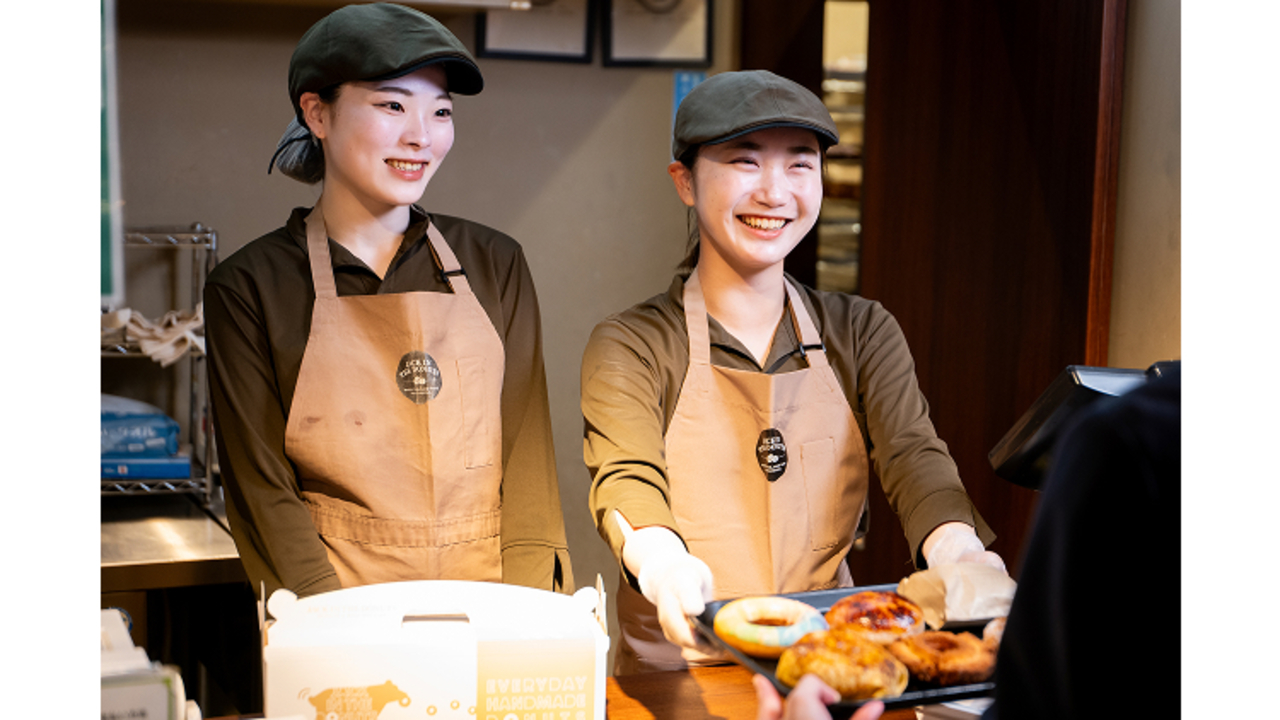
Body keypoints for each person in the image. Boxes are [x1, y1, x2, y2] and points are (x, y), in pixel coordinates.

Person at [581, 69, 1004, 674]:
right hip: (683, 670)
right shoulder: (632, 344)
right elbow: (626, 476)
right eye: (745, 162)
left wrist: (957, 549)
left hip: (829, 661)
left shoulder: (862, 330)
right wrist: (664, 566)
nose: (775, 193)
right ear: (685, 181)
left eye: (800, 164)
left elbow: (915, 458)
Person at [205, 2, 572, 602]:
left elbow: (528, 464)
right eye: (392, 106)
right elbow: (262, 491)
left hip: (491, 604)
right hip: (334, 610)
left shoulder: (495, 263)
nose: (421, 136)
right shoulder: (249, 288)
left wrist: (530, 617)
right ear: (316, 113)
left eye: (441, 112)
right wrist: (329, 627)